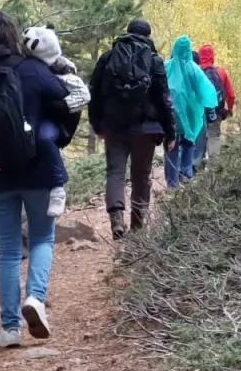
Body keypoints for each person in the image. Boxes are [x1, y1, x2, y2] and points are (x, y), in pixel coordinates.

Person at [0, 11, 71, 348]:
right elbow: (63, 98)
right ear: (13, 35)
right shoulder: (33, 69)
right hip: (38, 170)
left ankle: (10, 328)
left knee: (8, 250)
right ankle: (36, 298)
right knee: (42, 238)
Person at [88, 18, 175, 239]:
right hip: (146, 130)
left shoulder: (109, 57)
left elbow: (94, 92)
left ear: (127, 32)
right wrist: (170, 132)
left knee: (115, 172)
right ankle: (137, 225)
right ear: (148, 35)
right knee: (141, 176)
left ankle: (116, 218)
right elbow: (164, 99)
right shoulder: (154, 61)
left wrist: (96, 123)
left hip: (114, 127)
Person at [23, 25, 90, 217]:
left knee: (44, 138)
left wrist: (62, 105)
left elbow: (84, 95)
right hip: (34, 115)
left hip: (52, 120)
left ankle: (57, 187)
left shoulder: (61, 69)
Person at [163, 35, 218, 188]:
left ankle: (172, 184)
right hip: (191, 115)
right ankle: (185, 176)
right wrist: (209, 108)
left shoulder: (166, 66)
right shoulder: (194, 69)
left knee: (171, 146)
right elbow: (207, 92)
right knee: (188, 143)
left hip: (171, 116)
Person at [199, 43, 237, 167]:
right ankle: (214, 169)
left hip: (198, 112)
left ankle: (196, 168)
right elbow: (230, 94)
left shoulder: (195, 71)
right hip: (216, 112)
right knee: (213, 136)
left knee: (198, 138)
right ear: (212, 56)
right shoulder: (220, 71)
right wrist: (230, 108)